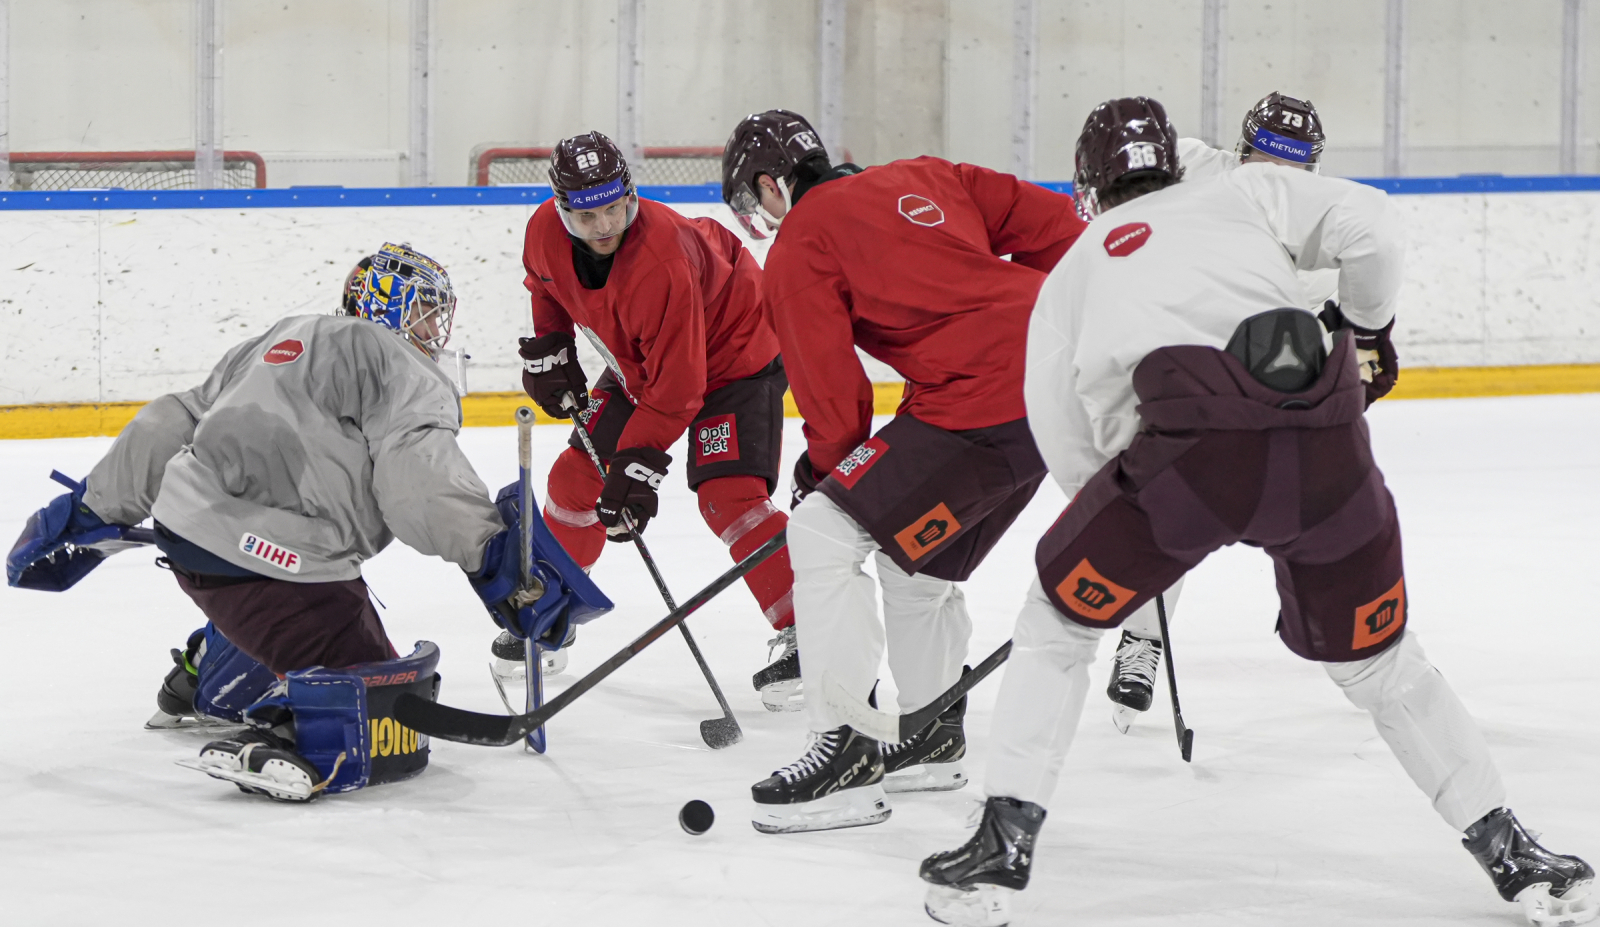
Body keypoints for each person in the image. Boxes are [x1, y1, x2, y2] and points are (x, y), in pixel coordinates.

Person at [918, 97, 1593, 927]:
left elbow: (1067, 437)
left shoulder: (1072, 274)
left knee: (1056, 625)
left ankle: (1001, 844)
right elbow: (1374, 226)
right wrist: (1365, 328)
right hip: (1326, 445)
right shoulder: (1243, 192)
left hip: (1183, 471)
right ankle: (1514, 853)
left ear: (1087, 186)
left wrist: (1127, 536)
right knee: (1384, 664)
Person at [7, 242, 610, 802]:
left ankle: (206, 677)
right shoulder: (403, 365)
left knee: (279, 603)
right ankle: (286, 734)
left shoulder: (285, 333)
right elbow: (416, 481)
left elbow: (175, 417)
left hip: (190, 535)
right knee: (378, 707)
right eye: (426, 312)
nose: (434, 329)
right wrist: (494, 560)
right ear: (391, 307)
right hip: (277, 561)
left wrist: (93, 507)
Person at [723, 109, 1086, 833]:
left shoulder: (798, 245)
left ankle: (845, 752)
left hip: (977, 401)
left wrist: (826, 476)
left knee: (821, 531)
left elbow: (834, 397)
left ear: (770, 185)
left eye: (750, 202)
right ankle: (927, 732)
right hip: (1060, 383)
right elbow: (1063, 231)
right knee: (913, 560)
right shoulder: (928, 174)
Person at [1104, 91, 1387, 734]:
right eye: (1265, 159)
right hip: (1182, 372)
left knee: (1320, 511)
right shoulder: (1191, 166)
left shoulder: (1324, 228)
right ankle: (1143, 638)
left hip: (1268, 388)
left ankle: (1351, 641)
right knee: (1162, 507)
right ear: (1242, 150)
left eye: (1293, 166)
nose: (1276, 176)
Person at [513, 130, 797, 703]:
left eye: (615, 209)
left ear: (630, 194)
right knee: (575, 479)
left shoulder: (660, 259)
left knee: (730, 497)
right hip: (646, 363)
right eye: (587, 216)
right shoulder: (543, 232)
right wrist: (552, 346)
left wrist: (636, 466)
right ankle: (552, 609)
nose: (604, 226)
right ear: (562, 210)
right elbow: (545, 286)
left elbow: (679, 388)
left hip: (736, 358)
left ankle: (812, 633)